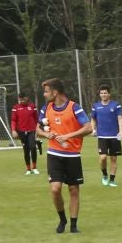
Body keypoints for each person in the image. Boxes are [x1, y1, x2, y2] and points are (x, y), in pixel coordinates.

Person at [37, 78, 92, 234]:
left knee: (73, 189)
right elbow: (38, 129)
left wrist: (68, 136)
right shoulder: (46, 108)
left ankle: (74, 225)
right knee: (55, 189)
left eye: (47, 91)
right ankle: (62, 219)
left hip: (73, 155)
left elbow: (88, 128)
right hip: (54, 154)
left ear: (55, 92)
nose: (45, 94)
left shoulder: (74, 107)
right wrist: (45, 134)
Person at [90, 84, 122, 187]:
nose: (103, 94)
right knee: (103, 157)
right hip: (102, 136)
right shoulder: (95, 106)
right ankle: (104, 175)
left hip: (114, 136)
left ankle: (112, 180)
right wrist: (93, 129)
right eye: (101, 93)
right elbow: (93, 119)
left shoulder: (116, 105)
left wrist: (121, 131)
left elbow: (120, 118)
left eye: (105, 93)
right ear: (99, 95)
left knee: (113, 159)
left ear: (109, 94)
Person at [11, 93, 41, 175]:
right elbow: (13, 120)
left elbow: (36, 118)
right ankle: (28, 169)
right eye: (20, 99)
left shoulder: (32, 106)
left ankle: (34, 168)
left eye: (23, 99)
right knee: (26, 150)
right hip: (21, 131)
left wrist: (38, 129)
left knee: (33, 147)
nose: (22, 101)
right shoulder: (15, 108)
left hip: (31, 130)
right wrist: (13, 130)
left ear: (27, 98)